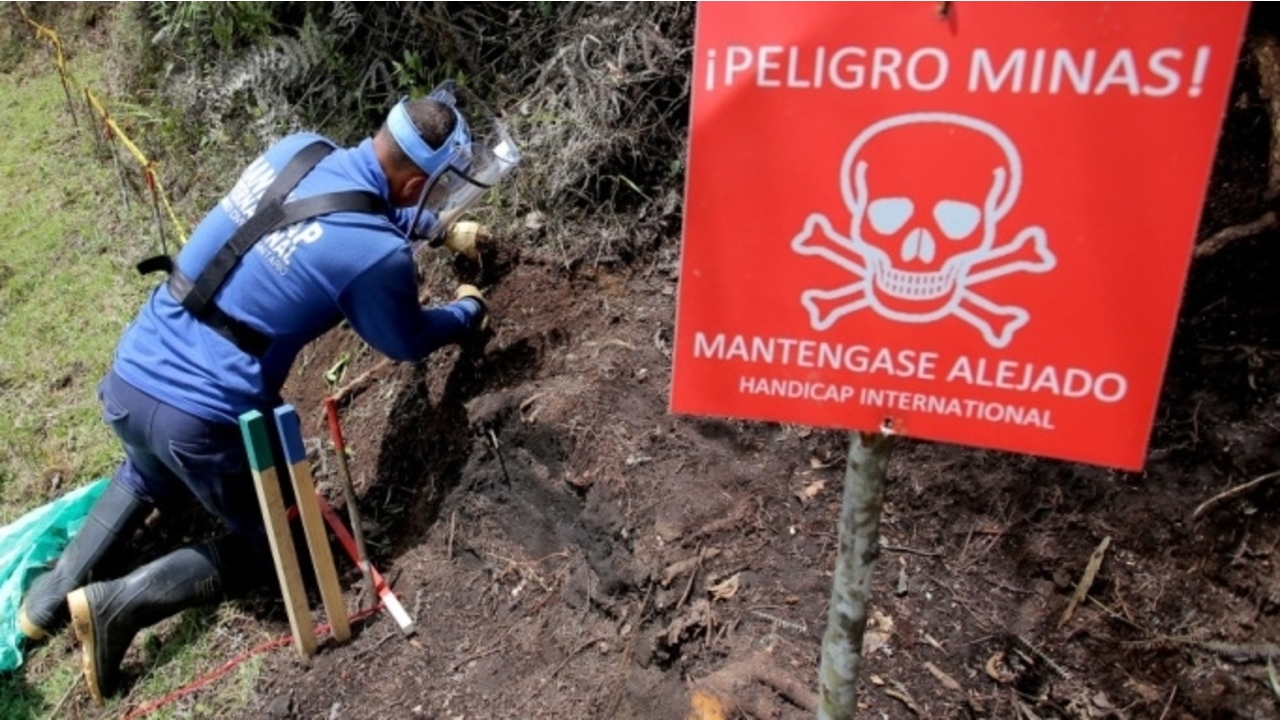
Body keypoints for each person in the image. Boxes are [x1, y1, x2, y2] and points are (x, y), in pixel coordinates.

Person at [17, 92, 491, 704]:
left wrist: (437, 228)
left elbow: (323, 220)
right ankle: (117, 606)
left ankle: (46, 602)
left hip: (133, 374)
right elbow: (406, 339)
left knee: (147, 473)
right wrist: (466, 310)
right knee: (286, 545)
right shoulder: (377, 255)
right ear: (419, 184)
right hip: (200, 423)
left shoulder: (301, 149)